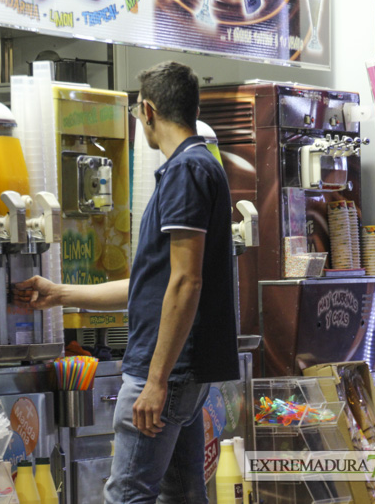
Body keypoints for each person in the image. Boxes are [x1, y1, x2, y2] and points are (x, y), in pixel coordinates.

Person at [13, 61, 239, 503]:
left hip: (166, 369)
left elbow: (185, 283)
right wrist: (60, 293)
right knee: (184, 494)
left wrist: (155, 380)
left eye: (138, 113)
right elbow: (151, 285)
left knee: (128, 494)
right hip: (183, 370)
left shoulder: (185, 172)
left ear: (149, 111)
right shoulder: (202, 167)